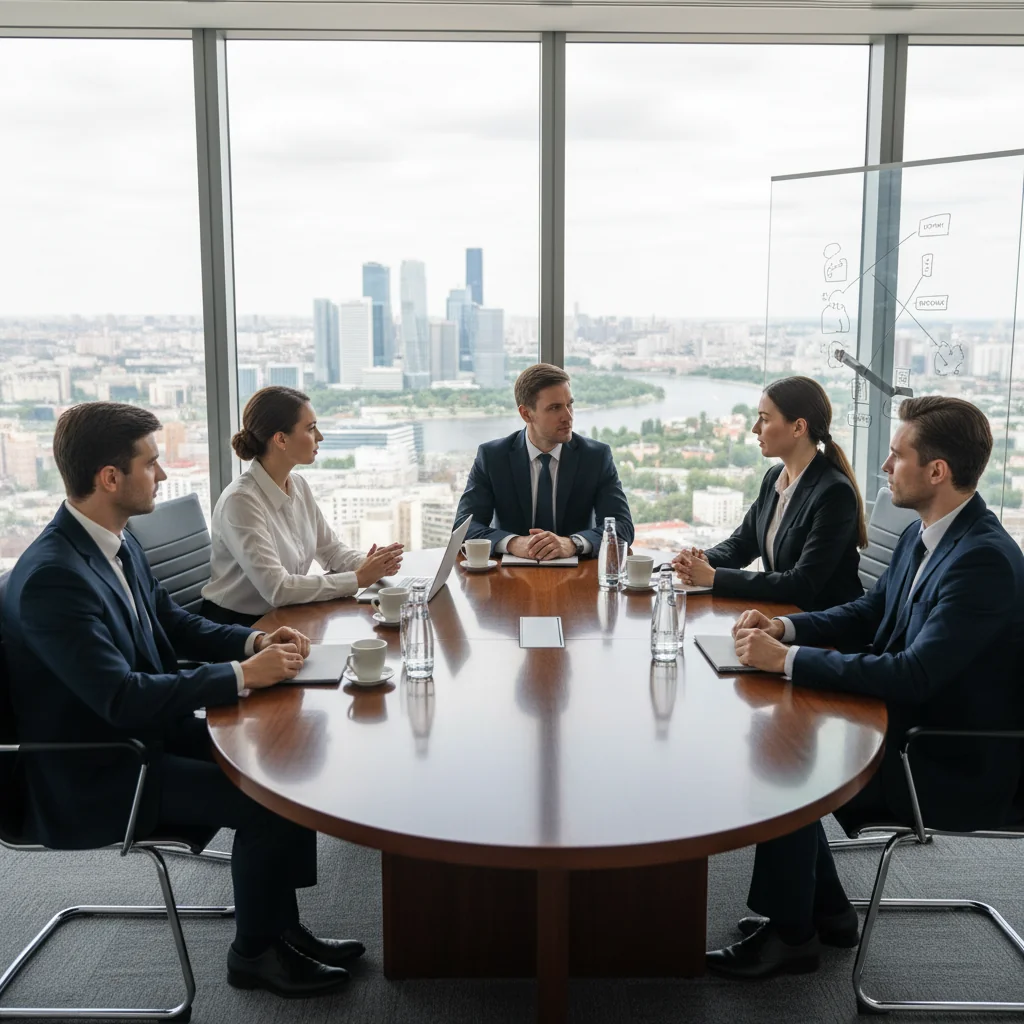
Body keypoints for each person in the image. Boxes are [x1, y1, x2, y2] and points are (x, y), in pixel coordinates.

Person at [1, 402, 363, 998]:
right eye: (152, 462)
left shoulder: (115, 541)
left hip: (144, 734)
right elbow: (119, 697)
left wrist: (254, 639)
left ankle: (283, 929)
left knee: (285, 760)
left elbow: (174, 623)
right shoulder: (54, 577)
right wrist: (243, 675)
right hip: (96, 768)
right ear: (109, 478)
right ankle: (254, 955)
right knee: (264, 799)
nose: (163, 476)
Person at [705, 396, 1024, 980]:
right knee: (781, 735)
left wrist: (789, 661)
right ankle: (826, 913)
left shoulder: (983, 562)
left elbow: (914, 673)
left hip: (945, 755)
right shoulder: (925, 533)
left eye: (897, 456)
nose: (882, 468)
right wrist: (786, 627)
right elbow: (863, 612)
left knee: (784, 760)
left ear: (937, 471)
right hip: (901, 722)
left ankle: (792, 938)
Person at [201, 386, 403, 626]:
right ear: (281, 439)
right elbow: (278, 589)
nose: (320, 437)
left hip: (285, 616)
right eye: (310, 428)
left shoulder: (298, 485)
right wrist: (358, 578)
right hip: (238, 626)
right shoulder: (241, 502)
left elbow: (331, 551)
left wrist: (372, 565)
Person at [673, 376, 865, 611]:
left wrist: (713, 577)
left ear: (798, 427)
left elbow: (801, 583)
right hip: (780, 616)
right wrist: (702, 560)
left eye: (764, 419)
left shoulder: (834, 493)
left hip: (823, 631)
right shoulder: (774, 477)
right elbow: (743, 544)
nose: (755, 428)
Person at [455, 363, 634, 560]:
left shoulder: (596, 457)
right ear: (526, 414)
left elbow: (623, 527)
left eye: (570, 404)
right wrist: (514, 543)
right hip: (509, 578)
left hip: (579, 577)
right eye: (555, 408)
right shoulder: (493, 457)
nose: (568, 416)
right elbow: (463, 527)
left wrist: (573, 543)